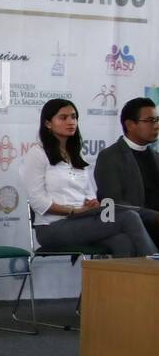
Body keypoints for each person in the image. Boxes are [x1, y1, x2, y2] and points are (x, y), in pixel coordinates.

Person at [21, 98, 157, 257]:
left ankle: (124, 282)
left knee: (123, 242)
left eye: (74, 117)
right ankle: (155, 270)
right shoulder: (37, 153)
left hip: (83, 221)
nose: (71, 121)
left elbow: (90, 194)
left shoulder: (76, 155)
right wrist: (75, 211)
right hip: (52, 227)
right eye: (63, 118)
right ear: (48, 123)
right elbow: (38, 202)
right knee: (129, 217)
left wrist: (91, 203)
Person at [93, 96, 159, 243]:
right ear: (130, 125)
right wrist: (153, 216)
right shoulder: (110, 157)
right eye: (149, 121)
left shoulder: (156, 157)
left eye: (157, 120)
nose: (156, 126)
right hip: (132, 226)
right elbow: (113, 203)